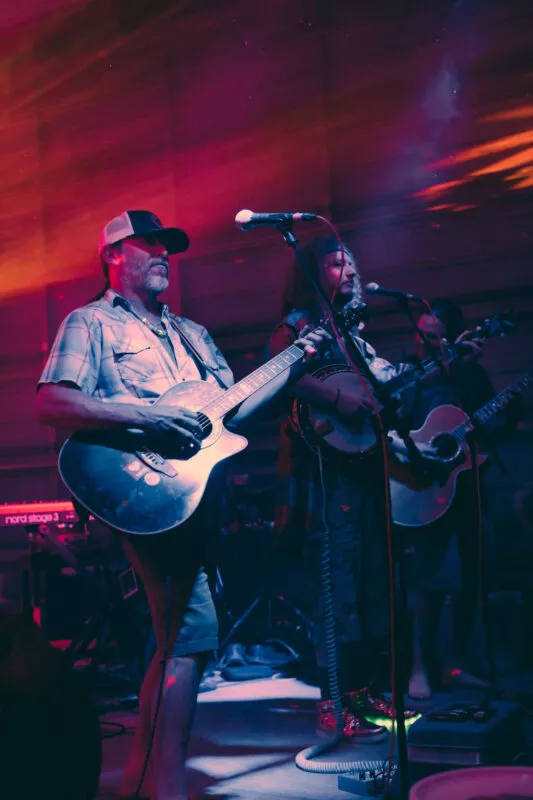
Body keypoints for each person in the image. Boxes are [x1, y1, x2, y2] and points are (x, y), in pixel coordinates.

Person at [36, 210, 328, 800]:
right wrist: (150, 417)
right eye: (149, 246)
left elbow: (234, 411)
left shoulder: (193, 334)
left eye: (168, 247)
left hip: (193, 498)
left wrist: (297, 358)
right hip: (138, 489)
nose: (163, 255)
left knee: (178, 638)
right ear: (113, 256)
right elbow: (52, 403)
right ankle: (164, 786)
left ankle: (145, 780)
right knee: (191, 633)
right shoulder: (90, 323)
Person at [267, 235, 419, 743]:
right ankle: (332, 702)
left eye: (351, 261)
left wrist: (436, 361)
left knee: (372, 583)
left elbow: (380, 388)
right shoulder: (298, 326)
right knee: (335, 588)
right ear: (311, 274)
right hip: (323, 478)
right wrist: (336, 396)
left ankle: (365, 692)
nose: (350, 271)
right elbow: (280, 377)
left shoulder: (356, 336)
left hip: (363, 473)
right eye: (336, 264)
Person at [399, 300, 518, 699]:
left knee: (472, 578)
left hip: (467, 486)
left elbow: (495, 428)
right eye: (420, 334)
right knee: (426, 582)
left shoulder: (471, 374)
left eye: (431, 337)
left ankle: (453, 664)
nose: (422, 343)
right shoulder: (408, 374)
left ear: (449, 337)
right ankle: (418, 666)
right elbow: (399, 422)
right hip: (423, 486)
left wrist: (510, 406)